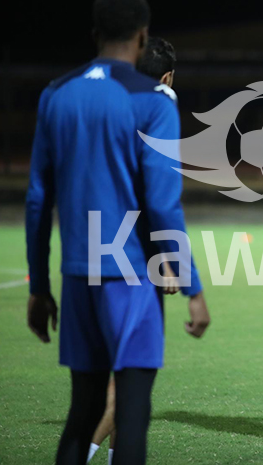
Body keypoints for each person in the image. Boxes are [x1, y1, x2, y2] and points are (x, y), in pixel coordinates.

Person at [26, 0, 209, 465]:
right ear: (142, 35)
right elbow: (162, 203)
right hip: (130, 277)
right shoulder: (154, 100)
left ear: (94, 33)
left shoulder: (56, 93)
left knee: (82, 412)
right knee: (131, 412)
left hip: (75, 275)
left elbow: (37, 199)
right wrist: (190, 283)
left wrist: (40, 286)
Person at [86, 36, 209, 465]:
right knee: (130, 384)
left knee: (120, 376)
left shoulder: (99, 98)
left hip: (93, 247)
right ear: (169, 75)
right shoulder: (159, 103)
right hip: (133, 257)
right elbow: (155, 198)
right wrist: (175, 267)